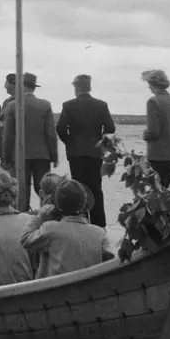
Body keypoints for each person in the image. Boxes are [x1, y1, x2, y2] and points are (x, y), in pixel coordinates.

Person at [56, 73, 117, 227]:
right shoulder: (101, 105)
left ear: (76, 88)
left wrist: (70, 142)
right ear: (89, 87)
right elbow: (110, 128)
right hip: (95, 152)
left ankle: (80, 221)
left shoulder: (68, 105)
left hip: (75, 153)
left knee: (78, 187)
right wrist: (101, 142)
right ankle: (99, 224)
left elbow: (61, 128)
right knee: (96, 187)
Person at [22, 180, 114, 279]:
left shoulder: (50, 229)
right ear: (84, 204)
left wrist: (39, 218)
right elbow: (110, 263)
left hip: (56, 290)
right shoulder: (99, 233)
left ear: (56, 206)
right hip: (90, 291)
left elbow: (25, 239)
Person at [2, 72, 59, 206]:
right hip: (42, 155)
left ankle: (23, 218)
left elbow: (8, 136)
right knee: (45, 190)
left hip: (19, 155)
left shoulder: (12, 106)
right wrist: (54, 156)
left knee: (21, 190)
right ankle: (47, 215)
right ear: (33, 87)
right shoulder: (45, 105)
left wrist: (6, 159)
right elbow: (51, 133)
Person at [141, 69, 170, 187]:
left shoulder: (152, 101)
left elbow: (153, 132)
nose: (148, 88)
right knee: (165, 191)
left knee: (155, 193)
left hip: (157, 155)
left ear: (152, 84)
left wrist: (145, 134)